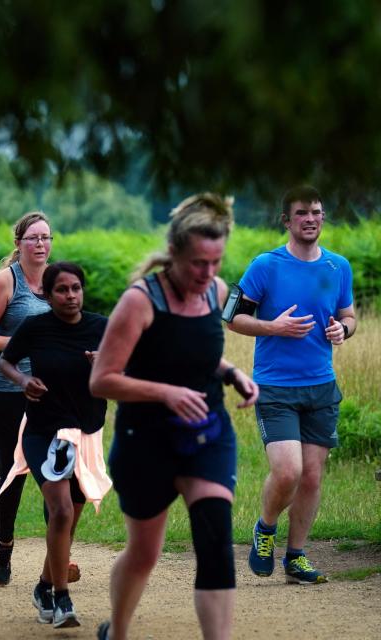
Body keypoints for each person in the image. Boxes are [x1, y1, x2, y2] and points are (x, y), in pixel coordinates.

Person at [89, 194, 259, 640]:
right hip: (145, 441)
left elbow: (195, 354)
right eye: (198, 263)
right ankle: (118, 630)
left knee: (215, 541)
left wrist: (232, 372)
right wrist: (164, 393)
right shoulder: (139, 302)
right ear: (175, 253)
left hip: (206, 434)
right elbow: (102, 380)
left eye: (216, 262)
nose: (208, 274)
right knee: (145, 553)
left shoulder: (218, 293)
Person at [228, 185, 356, 585]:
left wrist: (342, 330)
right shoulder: (266, 265)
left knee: (313, 477)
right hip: (276, 387)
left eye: (317, 212)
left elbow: (349, 316)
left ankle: (296, 556)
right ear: (287, 220)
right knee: (288, 472)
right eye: (302, 213)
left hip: (321, 387)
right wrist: (274, 327)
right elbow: (231, 316)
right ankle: (265, 529)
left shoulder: (338, 267)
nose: (311, 219)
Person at [0, 262, 110, 629]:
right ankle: (62, 598)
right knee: (60, 510)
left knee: (71, 517)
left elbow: (126, 371)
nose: (71, 295)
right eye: (62, 289)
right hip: (43, 430)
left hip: (86, 433)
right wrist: (23, 380)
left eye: (76, 288)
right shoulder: (36, 327)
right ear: (47, 294)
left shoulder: (100, 327)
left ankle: (45, 585)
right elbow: (6, 362)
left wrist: (104, 365)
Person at [0, 211, 52, 585]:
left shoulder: (57, 282)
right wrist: (27, 342)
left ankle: (58, 555)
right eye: (33, 238)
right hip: (6, 392)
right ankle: (4, 543)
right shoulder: (7, 282)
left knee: (54, 472)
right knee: (13, 471)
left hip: (50, 391)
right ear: (19, 243)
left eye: (46, 238)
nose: (40, 244)